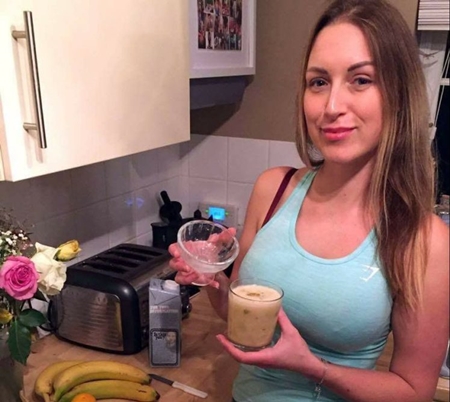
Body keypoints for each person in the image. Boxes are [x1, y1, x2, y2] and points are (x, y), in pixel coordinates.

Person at [169, 0, 449, 400]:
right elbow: (239, 315)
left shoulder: (424, 240)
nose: (332, 107)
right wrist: (214, 279)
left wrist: (312, 367)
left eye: (361, 80)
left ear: (398, 94)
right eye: (318, 82)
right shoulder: (273, 189)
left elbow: (414, 391)